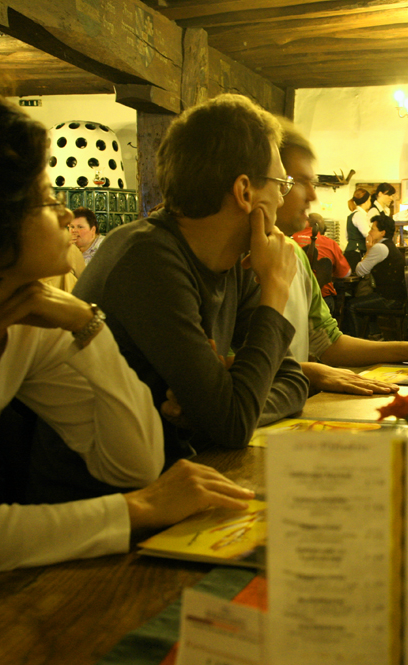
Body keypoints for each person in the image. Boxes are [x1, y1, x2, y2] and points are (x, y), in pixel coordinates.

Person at [0, 69, 253, 623]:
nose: (68, 214)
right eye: (46, 198)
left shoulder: (28, 322)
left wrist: (88, 324)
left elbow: (133, 463)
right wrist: (137, 509)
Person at [74, 94, 309, 464]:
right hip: (108, 490)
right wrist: (276, 289)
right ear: (244, 192)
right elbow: (233, 423)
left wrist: (219, 410)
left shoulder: (235, 261)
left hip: (174, 471)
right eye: (281, 183)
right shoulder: (147, 260)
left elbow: (293, 382)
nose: (282, 198)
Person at [273, 120, 408, 393]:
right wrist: (308, 373)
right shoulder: (228, 266)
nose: (313, 195)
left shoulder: (294, 255)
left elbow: (328, 342)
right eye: (298, 182)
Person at [345, 188, 371, 257]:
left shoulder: (353, 214)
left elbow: (347, 236)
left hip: (351, 250)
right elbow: (367, 234)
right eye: (369, 200)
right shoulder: (359, 215)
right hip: (357, 251)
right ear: (366, 201)